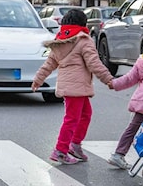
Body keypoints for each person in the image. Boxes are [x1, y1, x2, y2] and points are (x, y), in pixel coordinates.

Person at [31, 9, 114, 165]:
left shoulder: (60, 40)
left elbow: (49, 64)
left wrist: (38, 79)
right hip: (77, 87)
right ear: (83, 24)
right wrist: (108, 79)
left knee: (84, 114)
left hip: (71, 87)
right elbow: (94, 63)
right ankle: (61, 150)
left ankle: (74, 144)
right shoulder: (83, 40)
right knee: (72, 119)